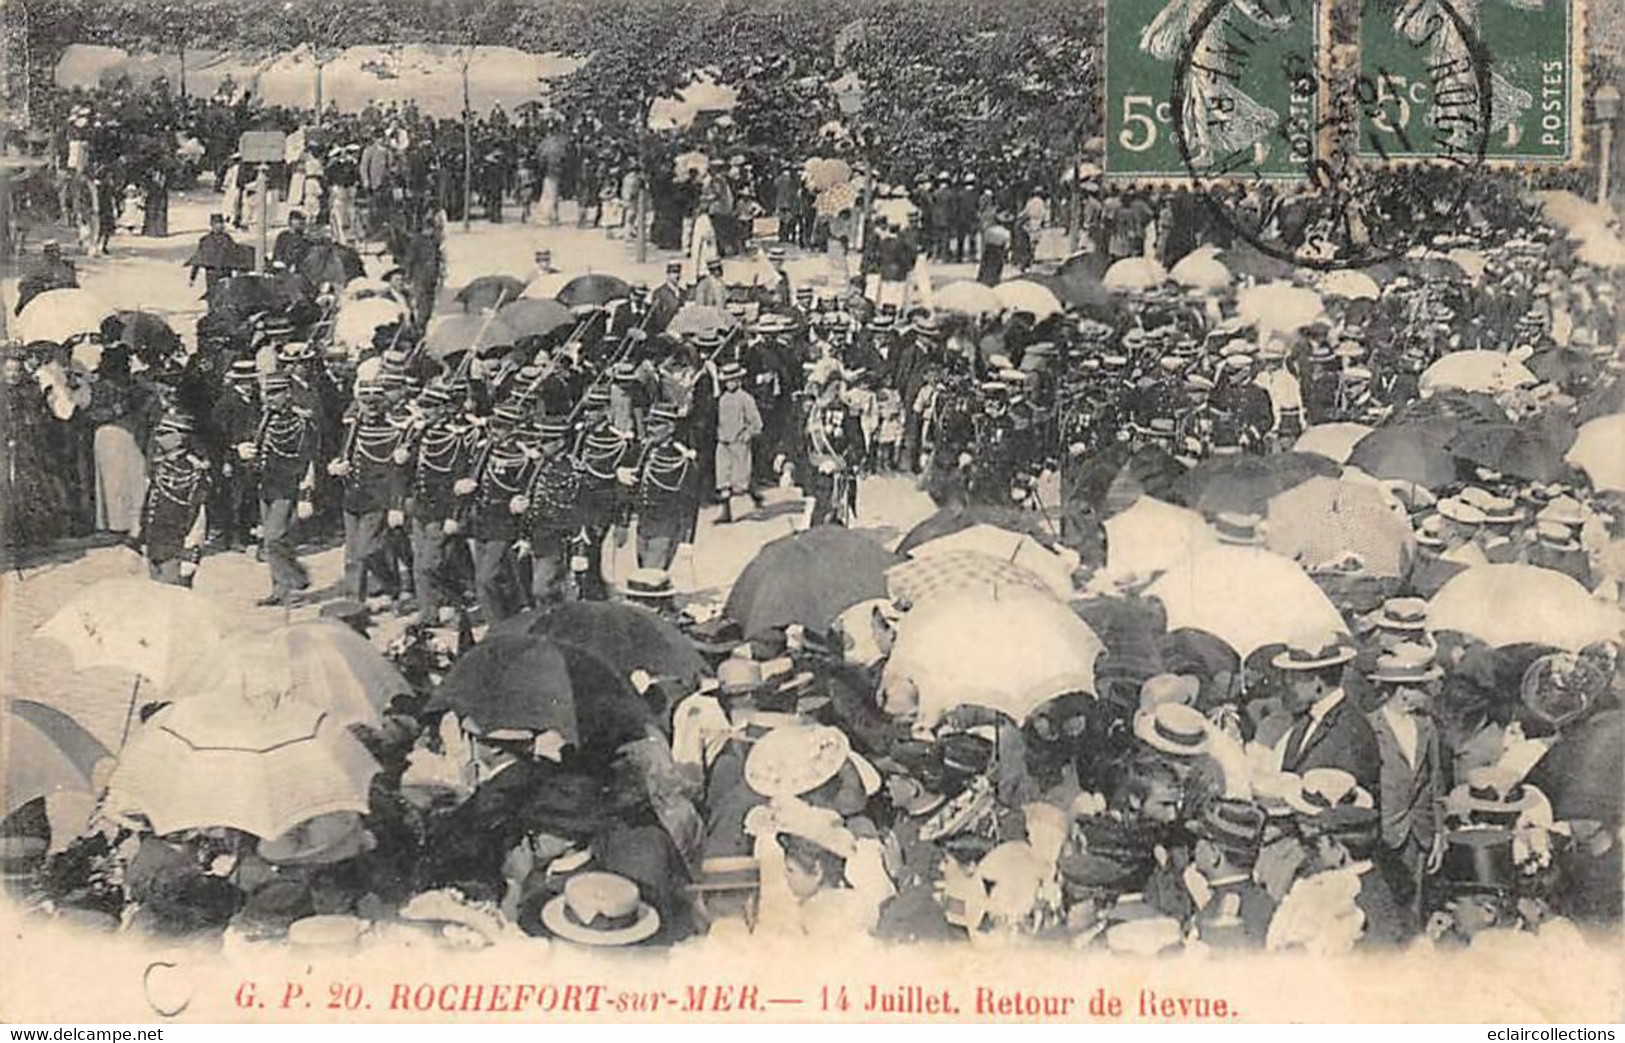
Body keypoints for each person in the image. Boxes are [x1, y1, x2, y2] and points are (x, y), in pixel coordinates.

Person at [1365, 644, 1447, 912]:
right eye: (1422, 688)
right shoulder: (1370, 726)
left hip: (1419, 835)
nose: (1429, 693)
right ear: (1403, 692)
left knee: (1416, 908)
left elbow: (1435, 780)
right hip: (1385, 836)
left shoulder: (1427, 726)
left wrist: (1438, 833)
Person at [1271, 636, 1383, 798]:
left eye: (1296, 676)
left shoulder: (1351, 730)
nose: (1289, 681)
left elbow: (1353, 806)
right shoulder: (1307, 718)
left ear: (1317, 681)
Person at [330, 382, 409, 606]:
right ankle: (355, 602)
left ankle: (390, 583)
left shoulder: (393, 431)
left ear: (384, 403)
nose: (371, 408)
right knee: (352, 555)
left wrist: (396, 504)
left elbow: (396, 472)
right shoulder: (351, 428)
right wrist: (337, 467)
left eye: (376, 403)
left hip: (377, 499)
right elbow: (343, 455)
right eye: (366, 403)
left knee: (368, 550)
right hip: (353, 497)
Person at [252, 372, 318, 606]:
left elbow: (310, 459)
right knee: (276, 541)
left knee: (274, 537)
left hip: (288, 486)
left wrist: (306, 493)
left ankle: (292, 582)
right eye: (267, 393)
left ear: (287, 393)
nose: (269, 398)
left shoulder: (301, 422)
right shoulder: (265, 420)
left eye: (275, 393)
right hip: (266, 485)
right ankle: (280, 588)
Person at [140, 411, 210, 586]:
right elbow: (149, 504)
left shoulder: (193, 471)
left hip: (176, 547)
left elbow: (198, 517)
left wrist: (191, 555)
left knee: (174, 599)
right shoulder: (161, 467)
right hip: (155, 543)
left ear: (179, 437)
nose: (157, 438)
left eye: (164, 433)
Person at [633, 405, 701, 572]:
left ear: (670, 428)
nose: (650, 429)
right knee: (644, 572)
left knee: (651, 575)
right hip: (644, 524)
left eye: (656, 425)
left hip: (666, 525)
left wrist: (687, 538)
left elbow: (690, 502)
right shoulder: (645, 453)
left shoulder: (681, 460)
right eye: (649, 424)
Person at [714, 363, 763, 524]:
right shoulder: (722, 398)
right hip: (723, 442)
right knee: (723, 478)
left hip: (739, 443)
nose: (729, 383)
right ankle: (726, 512)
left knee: (740, 479)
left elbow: (756, 423)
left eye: (732, 380)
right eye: (727, 381)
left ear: (738, 380)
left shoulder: (746, 399)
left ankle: (755, 497)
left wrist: (748, 433)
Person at [188, 214, 242, 293]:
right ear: (212, 225)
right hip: (212, 274)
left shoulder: (227, 239)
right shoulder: (205, 240)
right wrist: (192, 278)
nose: (219, 226)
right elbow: (198, 259)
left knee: (226, 298)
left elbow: (235, 255)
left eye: (220, 223)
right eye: (216, 224)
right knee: (213, 296)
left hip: (225, 273)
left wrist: (238, 272)